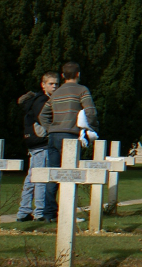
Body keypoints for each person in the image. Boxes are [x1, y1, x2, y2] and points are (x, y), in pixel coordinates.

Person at [15, 71, 60, 221]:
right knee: (41, 178)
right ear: (43, 85)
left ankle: (23, 211)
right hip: (41, 143)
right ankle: (40, 212)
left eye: (56, 84)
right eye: (50, 83)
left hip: (34, 143)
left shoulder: (36, 100)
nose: (54, 86)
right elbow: (45, 119)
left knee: (31, 178)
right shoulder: (43, 101)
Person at [39, 61, 97, 169]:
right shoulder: (82, 90)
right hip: (70, 135)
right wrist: (92, 129)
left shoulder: (56, 93)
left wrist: (50, 128)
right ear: (78, 74)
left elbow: (43, 115)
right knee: (70, 174)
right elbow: (90, 112)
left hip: (53, 136)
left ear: (63, 75)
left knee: (52, 174)